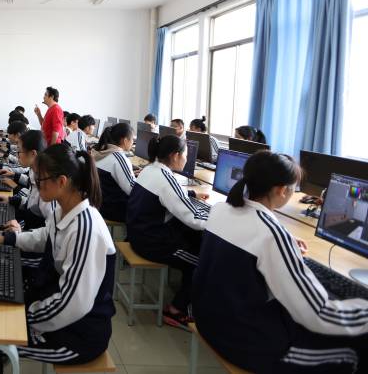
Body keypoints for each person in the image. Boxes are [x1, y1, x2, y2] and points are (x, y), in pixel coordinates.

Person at [193, 151, 368, 373]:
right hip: (245, 343)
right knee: (355, 350)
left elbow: (253, 236)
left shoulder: (220, 210)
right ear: (281, 190)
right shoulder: (271, 235)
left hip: (209, 320)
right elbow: (318, 314)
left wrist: (284, 241)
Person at [0, 144, 116, 372]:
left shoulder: (86, 230)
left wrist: (24, 318)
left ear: (61, 181)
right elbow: (45, 236)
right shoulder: (64, 209)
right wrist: (8, 239)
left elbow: (73, 304)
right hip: (58, 309)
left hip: (78, 335)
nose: (35, 184)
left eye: (39, 180)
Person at [127, 134, 210, 330]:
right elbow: (194, 219)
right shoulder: (166, 179)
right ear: (175, 155)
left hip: (138, 234)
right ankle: (176, 310)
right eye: (186, 155)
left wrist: (190, 193)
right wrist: (221, 219)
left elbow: (168, 195)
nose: (187, 160)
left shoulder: (151, 170)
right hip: (151, 243)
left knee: (194, 239)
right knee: (203, 262)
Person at [0, 130, 48, 231]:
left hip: (30, 232)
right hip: (27, 226)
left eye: (19, 152)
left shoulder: (47, 185)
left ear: (33, 153)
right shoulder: (34, 172)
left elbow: (46, 231)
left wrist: (20, 231)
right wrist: (10, 200)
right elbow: (30, 203)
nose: (17, 155)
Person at [94, 123, 137, 222]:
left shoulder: (102, 151)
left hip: (100, 204)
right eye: (132, 140)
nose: (133, 143)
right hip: (113, 210)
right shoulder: (119, 157)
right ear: (125, 140)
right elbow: (132, 190)